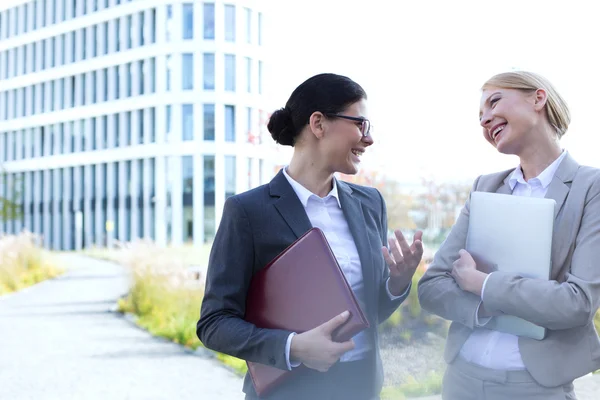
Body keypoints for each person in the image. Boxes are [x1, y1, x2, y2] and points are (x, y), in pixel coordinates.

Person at [197, 73, 423, 399]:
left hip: (360, 388)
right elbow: (214, 322)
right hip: (290, 392)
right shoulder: (248, 211)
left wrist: (396, 283)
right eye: (361, 124)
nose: (368, 138)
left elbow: (367, 313)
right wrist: (294, 347)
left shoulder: (369, 203)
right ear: (318, 124)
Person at [418, 70, 600, 400]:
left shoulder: (591, 188)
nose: (485, 119)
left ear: (538, 98)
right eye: (480, 116)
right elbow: (432, 287)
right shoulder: (485, 187)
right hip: (461, 379)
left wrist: (483, 285)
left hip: (537, 388)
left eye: (494, 101)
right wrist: (486, 307)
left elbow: (577, 303)